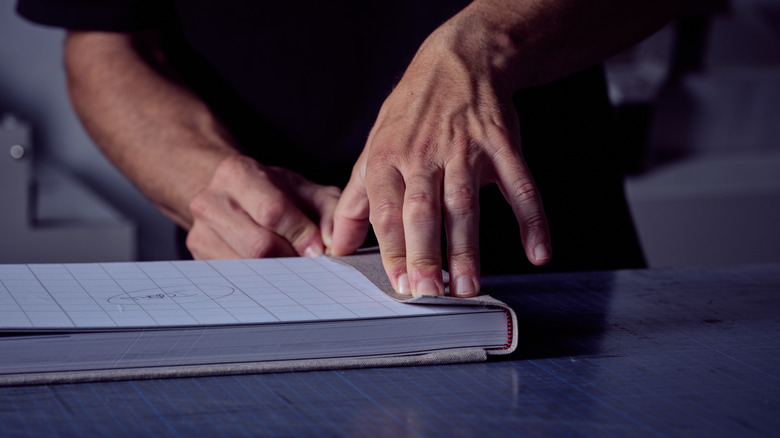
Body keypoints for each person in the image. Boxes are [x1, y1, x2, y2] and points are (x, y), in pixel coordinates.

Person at [18, 0, 682, 297]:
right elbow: (107, 43)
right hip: (253, 279)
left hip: (555, 274)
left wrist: (485, 46)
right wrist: (201, 176)